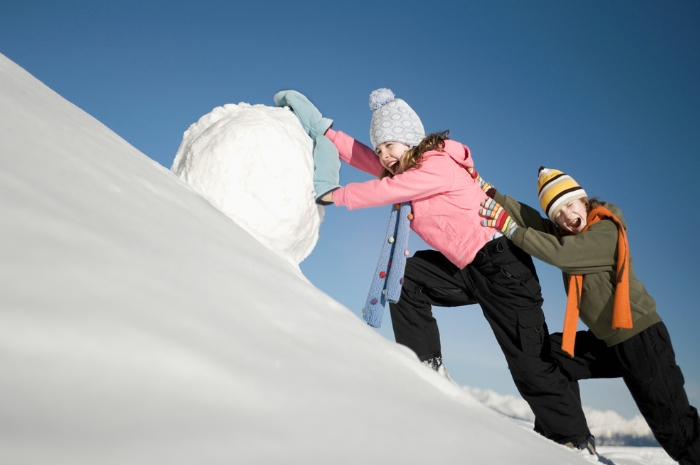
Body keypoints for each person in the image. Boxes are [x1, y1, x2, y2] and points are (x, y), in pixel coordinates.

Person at [274, 89, 595, 452]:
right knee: (405, 276)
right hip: (466, 267)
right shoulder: (407, 166)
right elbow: (366, 159)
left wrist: (337, 195)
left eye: (389, 146)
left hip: (503, 266)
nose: (383, 156)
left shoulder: (437, 164)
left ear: (409, 139)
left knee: (528, 362)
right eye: (379, 149)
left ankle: (574, 441)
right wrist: (327, 133)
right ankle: (426, 366)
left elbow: (389, 188)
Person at [478, 166, 700, 464]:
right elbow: (533, 220)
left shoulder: (606, 230)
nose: (566, 216)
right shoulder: (569, 234)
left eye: (569, 205)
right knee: (551, 354)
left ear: (583, 201)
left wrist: (513, 231)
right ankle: (568, 438)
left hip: (641, 339)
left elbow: (563, 254)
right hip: (606, 343)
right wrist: (493, 195)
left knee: (675, 430)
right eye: (557, 214)